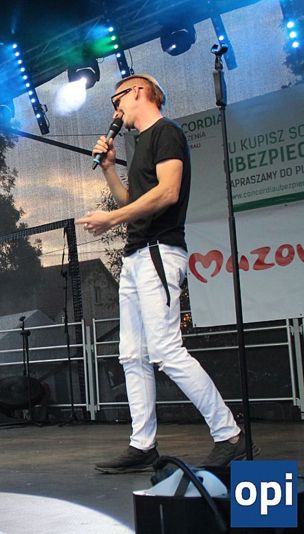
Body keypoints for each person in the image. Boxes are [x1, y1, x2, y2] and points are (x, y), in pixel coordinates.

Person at [78, 74, 253, 473]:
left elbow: (168, 192)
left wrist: (112, 218)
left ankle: (230, 435)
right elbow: (133, 200)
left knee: (166, 351)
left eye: (117, 99)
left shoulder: (166, 132)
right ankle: (143, 445)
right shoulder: (140, 144)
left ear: (139, 91)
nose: (115, 110)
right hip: (135, 256)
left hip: (159, 251)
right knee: (131, 355)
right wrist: (109, 170)